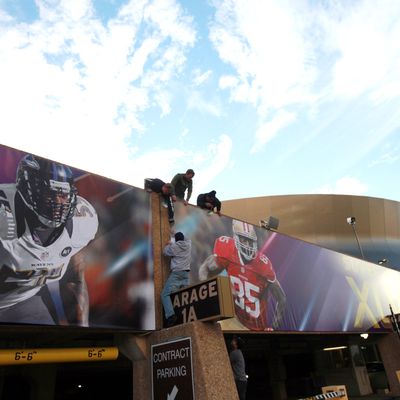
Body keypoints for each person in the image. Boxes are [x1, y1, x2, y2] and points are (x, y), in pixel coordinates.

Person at [0, 154, 98, 326]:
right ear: (26, 188)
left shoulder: (81, 221)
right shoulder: (4, 214)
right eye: (50, 193)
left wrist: (82, 329)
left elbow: (74, 279)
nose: (60, 202)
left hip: (21, 301)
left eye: (64, 194)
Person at [198, 219, 286, 331]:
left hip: (255, 327)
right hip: (233, 319)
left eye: (250, 241)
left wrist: (274, 327)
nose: (248, 245)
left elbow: (281, 298)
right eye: (244, 240)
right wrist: (207, 291)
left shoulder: (263, 265)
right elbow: (204, 268)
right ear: (236, 238)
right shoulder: (228, 250)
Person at [161, 232, 191, 327]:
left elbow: (165, 252)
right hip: (186, 274)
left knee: (164, 295)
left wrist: (168, 244)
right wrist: (175, 236)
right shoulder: (189, 244)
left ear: (176, 240)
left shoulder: (174, 247)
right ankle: (187, 317)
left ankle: (171, 316)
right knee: (184, 297)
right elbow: (185, 238)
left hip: (177, 274)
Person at [229, 336, 247, 400]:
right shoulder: (239, 352)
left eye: (234, 341)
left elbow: (227, 362)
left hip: (239, 380)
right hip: (243, 380)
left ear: (236, 344)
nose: (232, 341)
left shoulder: (234, 353)